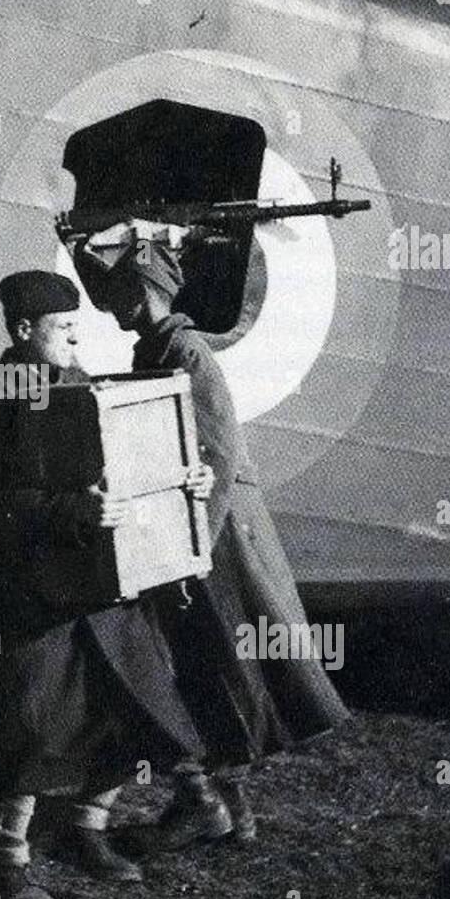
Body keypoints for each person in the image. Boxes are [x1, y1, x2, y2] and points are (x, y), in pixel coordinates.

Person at [0, 270, 224, 899]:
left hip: (106, 591)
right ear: (24, 330)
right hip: (36, 597)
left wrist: (185, 477)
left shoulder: (83, 389)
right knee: (33, 729)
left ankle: (86, 825)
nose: (76, 340)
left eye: (78, 328)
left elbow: (131, 467)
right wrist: (71, 512)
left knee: (137, 705)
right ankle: (6, 867)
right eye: (64, 329)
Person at [75, 234, 351, 845]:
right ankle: (218, 806)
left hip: (218, 541)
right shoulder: (159, 347)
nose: (111, 305)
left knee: (221, 663)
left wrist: (192, 547)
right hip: (194, 534)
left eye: (120, 294)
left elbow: (220, 452)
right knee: (208, 665)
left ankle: (202, 802)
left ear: (144, 295)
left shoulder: (186, 353)